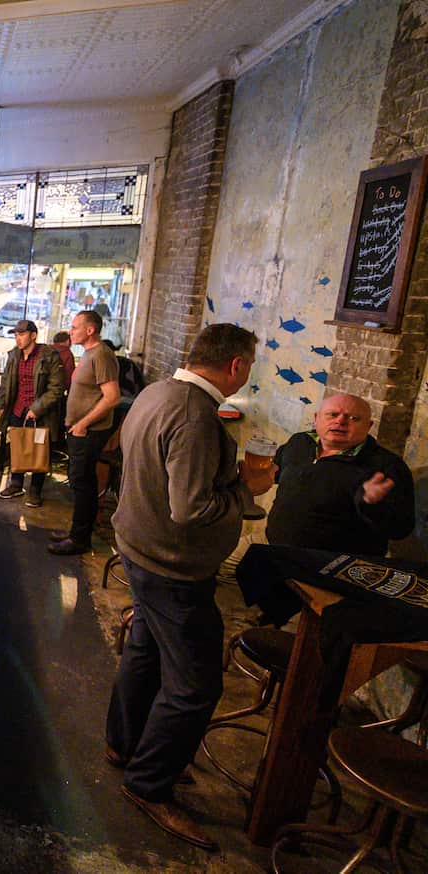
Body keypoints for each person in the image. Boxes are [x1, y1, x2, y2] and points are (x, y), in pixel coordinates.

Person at [105, 324, 272, 851]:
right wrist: (248, 489)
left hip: (138, 548)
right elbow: (191, 508)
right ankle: (149, 784)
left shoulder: (157, 392)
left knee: (145, 652)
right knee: (196, 686)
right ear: (237, 367)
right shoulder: (196, 415)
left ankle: (123, 743)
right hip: (172, 567)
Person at [266, 393, 414, 556]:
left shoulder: (386, 466)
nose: (340, 421)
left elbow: (401, 529)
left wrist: (372, 505)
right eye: (333, 415)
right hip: (272, 546)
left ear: (368, 425)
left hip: (332, 565)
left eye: (353, 418)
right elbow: (276, 472)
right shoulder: (299, 442)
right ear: (316, 418)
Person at [48, 311, 120, 555]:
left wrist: (83, 423)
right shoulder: (90, 354)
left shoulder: (102, 355)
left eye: (75, 327)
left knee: (83, 483)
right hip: (78, 430)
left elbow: (112, 398)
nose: (71, 331)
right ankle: (77, 532)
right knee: (80, 482)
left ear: (90, 330)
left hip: (88, 432)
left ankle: (79, 539)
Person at [0, 320, 66, 508]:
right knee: (17, 445)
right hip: (18, 408)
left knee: (39, 450)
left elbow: (57, 388)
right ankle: (16, 484)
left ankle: (35, 489)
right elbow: (5, 381)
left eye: (22, 334)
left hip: (40, 413)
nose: (18, 338)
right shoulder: (14, 355)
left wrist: (38, 408)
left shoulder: (49, 356)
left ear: (33, 335)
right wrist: (1, 403)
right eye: (16, 335)